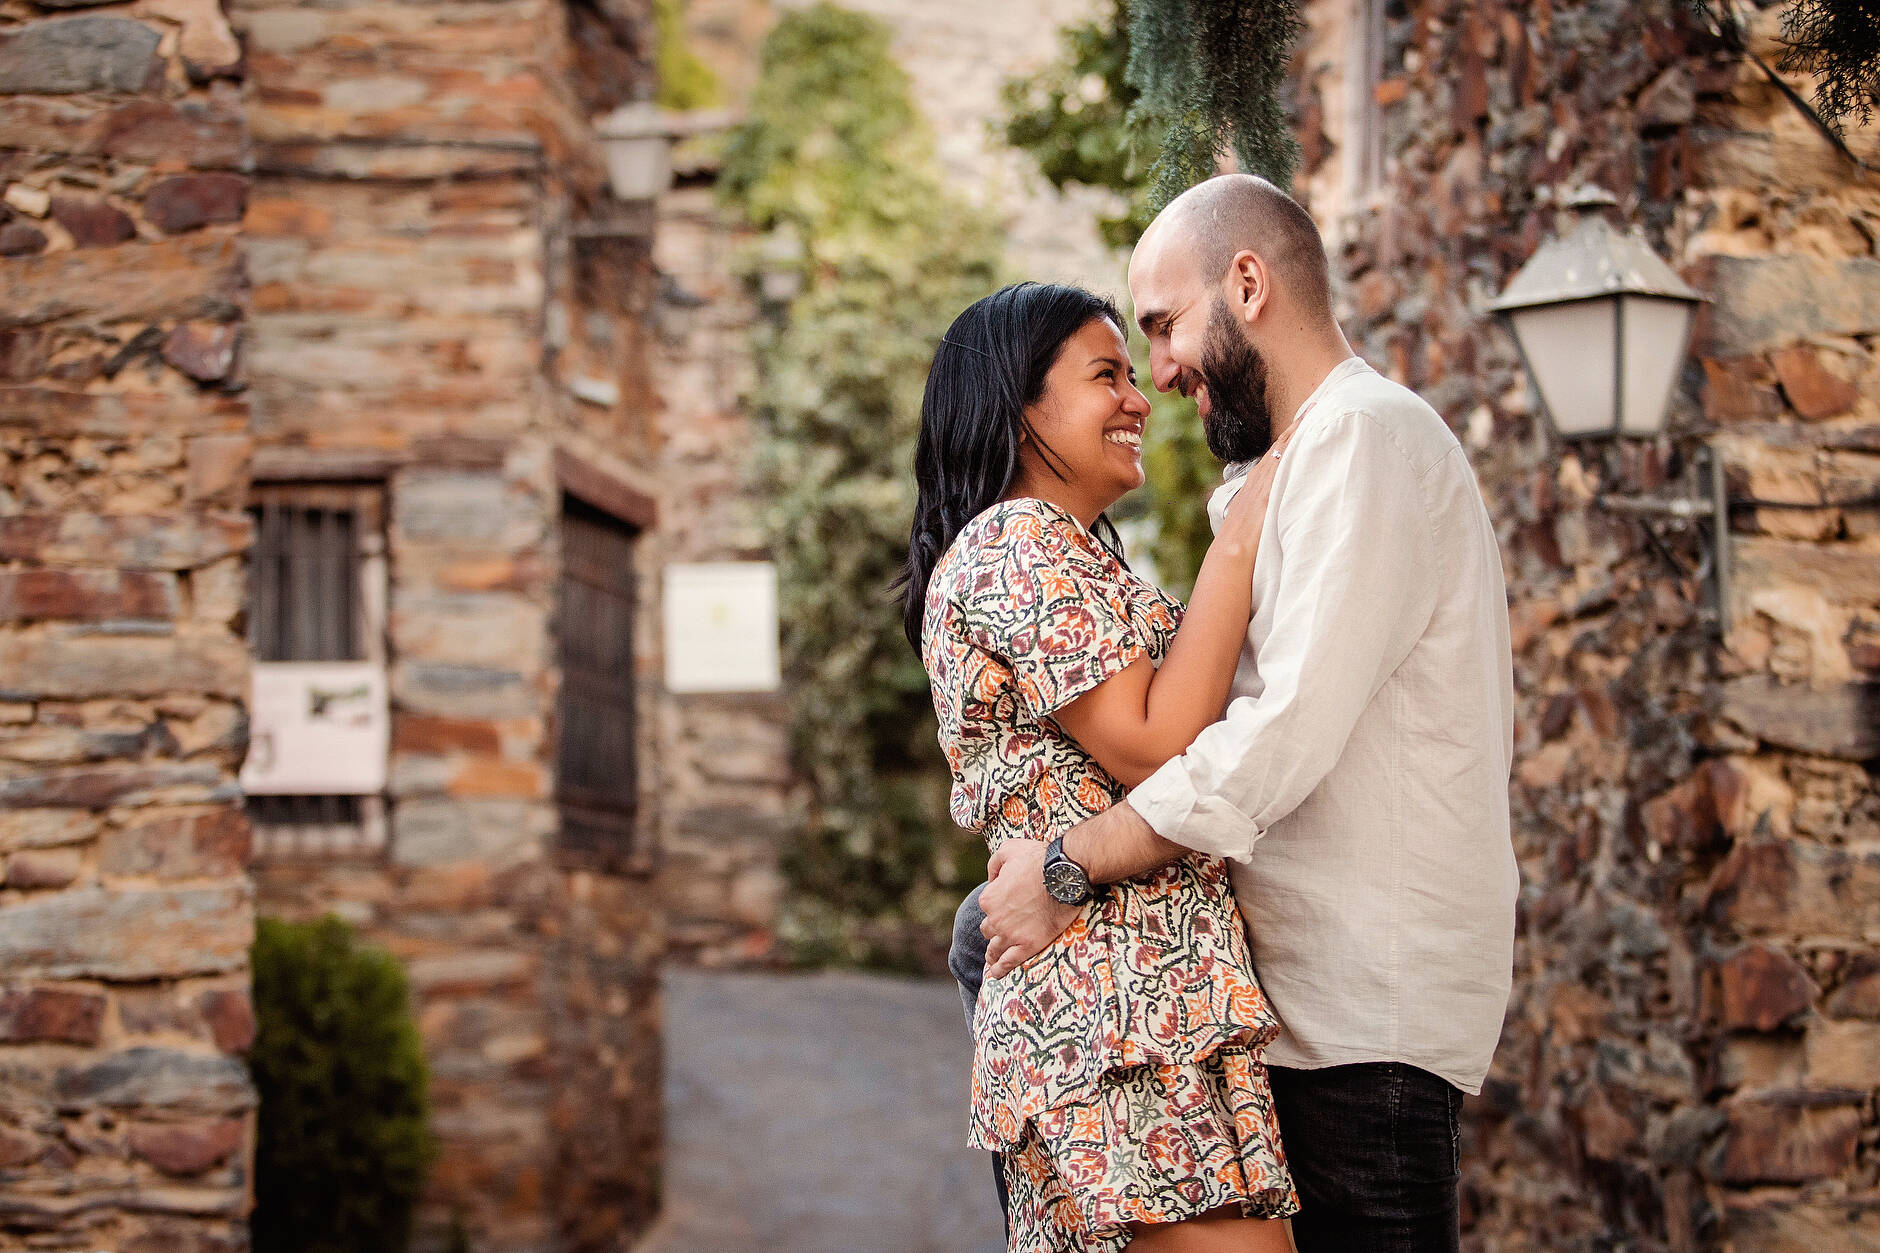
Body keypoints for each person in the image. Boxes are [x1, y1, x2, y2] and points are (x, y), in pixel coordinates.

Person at [962, 174, 1519, 1253]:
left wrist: (1069, 864)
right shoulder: (1293, 462)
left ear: (1248, 285)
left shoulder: (1363, 440)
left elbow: (1275, 738)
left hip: (1359, 1029)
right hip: (1293, 1018)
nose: (1158, 372)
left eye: (1162, 327)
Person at [903, 280, 1300, 1252]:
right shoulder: (1010, 546)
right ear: (1018, 404)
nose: (1137, 398)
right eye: (1104, 376)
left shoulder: (1067, 553)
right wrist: (1239, 538)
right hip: (1109, 1003)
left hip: (1146, 993)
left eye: (1134, 374)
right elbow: (1152, 741)